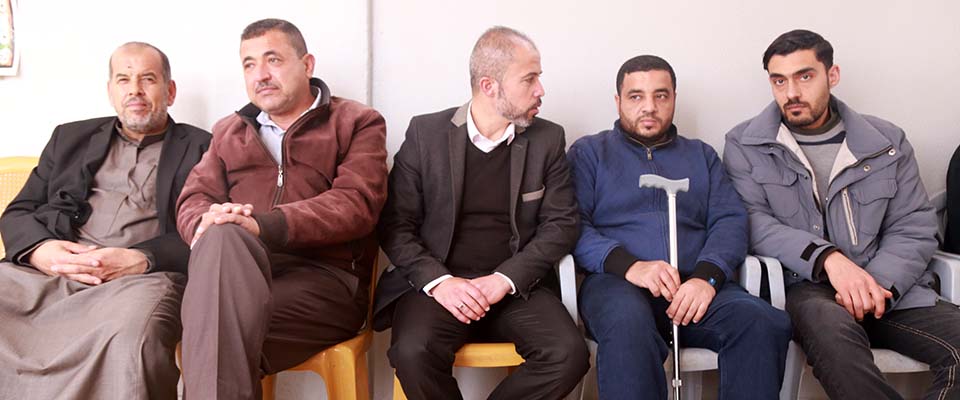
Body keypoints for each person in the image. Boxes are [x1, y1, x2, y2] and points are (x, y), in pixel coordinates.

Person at [723, 29, 960, 399]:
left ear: (832, 75)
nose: (791, 92)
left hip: (892, 289)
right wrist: (829, 260)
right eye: (779, 81)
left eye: (804, 76)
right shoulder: (745, 144)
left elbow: (914, 224)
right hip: (806, 289)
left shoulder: (886, 141)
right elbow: (754, 223)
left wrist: (877, 284)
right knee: (836, 342)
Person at [175, 18, 387, 399]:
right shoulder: (228, 131)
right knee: (221, 242)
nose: (261, 75)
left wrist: (262, 225)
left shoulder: (357, 122)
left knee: (213, 329)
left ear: (307, 65)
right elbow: (194, 198)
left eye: (272, 60)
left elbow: (356, 203)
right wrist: (206, 222)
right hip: (239, 277)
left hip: (326, 281)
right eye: (249, 64)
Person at [373, 26, 588, 400]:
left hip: (515, 288)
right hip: (439, 288)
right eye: (529, 79)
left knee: (568, 355)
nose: (541, 90)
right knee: (412, 353)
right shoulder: (426, 134)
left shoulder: (547, 139)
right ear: (489, 86)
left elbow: (561, 225)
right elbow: (395, 225)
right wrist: (441, 282)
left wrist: (504, 279)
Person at [568, 55, 792, 399]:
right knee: (627, 326)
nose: (649, 107)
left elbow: (730, 221)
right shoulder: (590, 153)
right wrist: (631, 266)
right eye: (636, 96)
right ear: (618, 101)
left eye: (661, 95)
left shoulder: (701, 155)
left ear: (674, 98)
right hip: (617, 284)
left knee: (761, 322)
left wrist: (706, 278)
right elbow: (573, 225)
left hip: (694, 284)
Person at [0, 42, 210, 400]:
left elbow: (207, 232)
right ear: (111, 91)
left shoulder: (204, 148)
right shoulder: (69, 138)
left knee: (134, 335)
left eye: (148, 79)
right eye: (124, 80)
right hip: (49, 275)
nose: (135, 90)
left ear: (170, 91)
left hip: (138, 280)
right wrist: (41, 251)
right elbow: (20, 211)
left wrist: (143, 258)